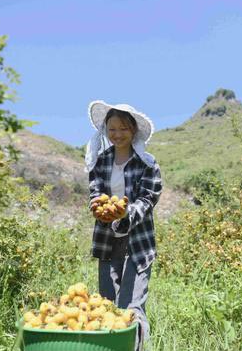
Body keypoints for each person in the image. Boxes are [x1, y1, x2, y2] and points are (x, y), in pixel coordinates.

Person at [85, 100, 162, 351]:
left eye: (123, 129)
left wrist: (126, 213)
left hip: (138, 242)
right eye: (112, 129)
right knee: (107, 305)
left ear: (134, 131)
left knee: (132, 307)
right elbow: (95, 191)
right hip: (108, 241)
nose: (117, 135)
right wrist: (98, 207)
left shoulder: (147, 164)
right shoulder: (102, 160)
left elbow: (149, 197)